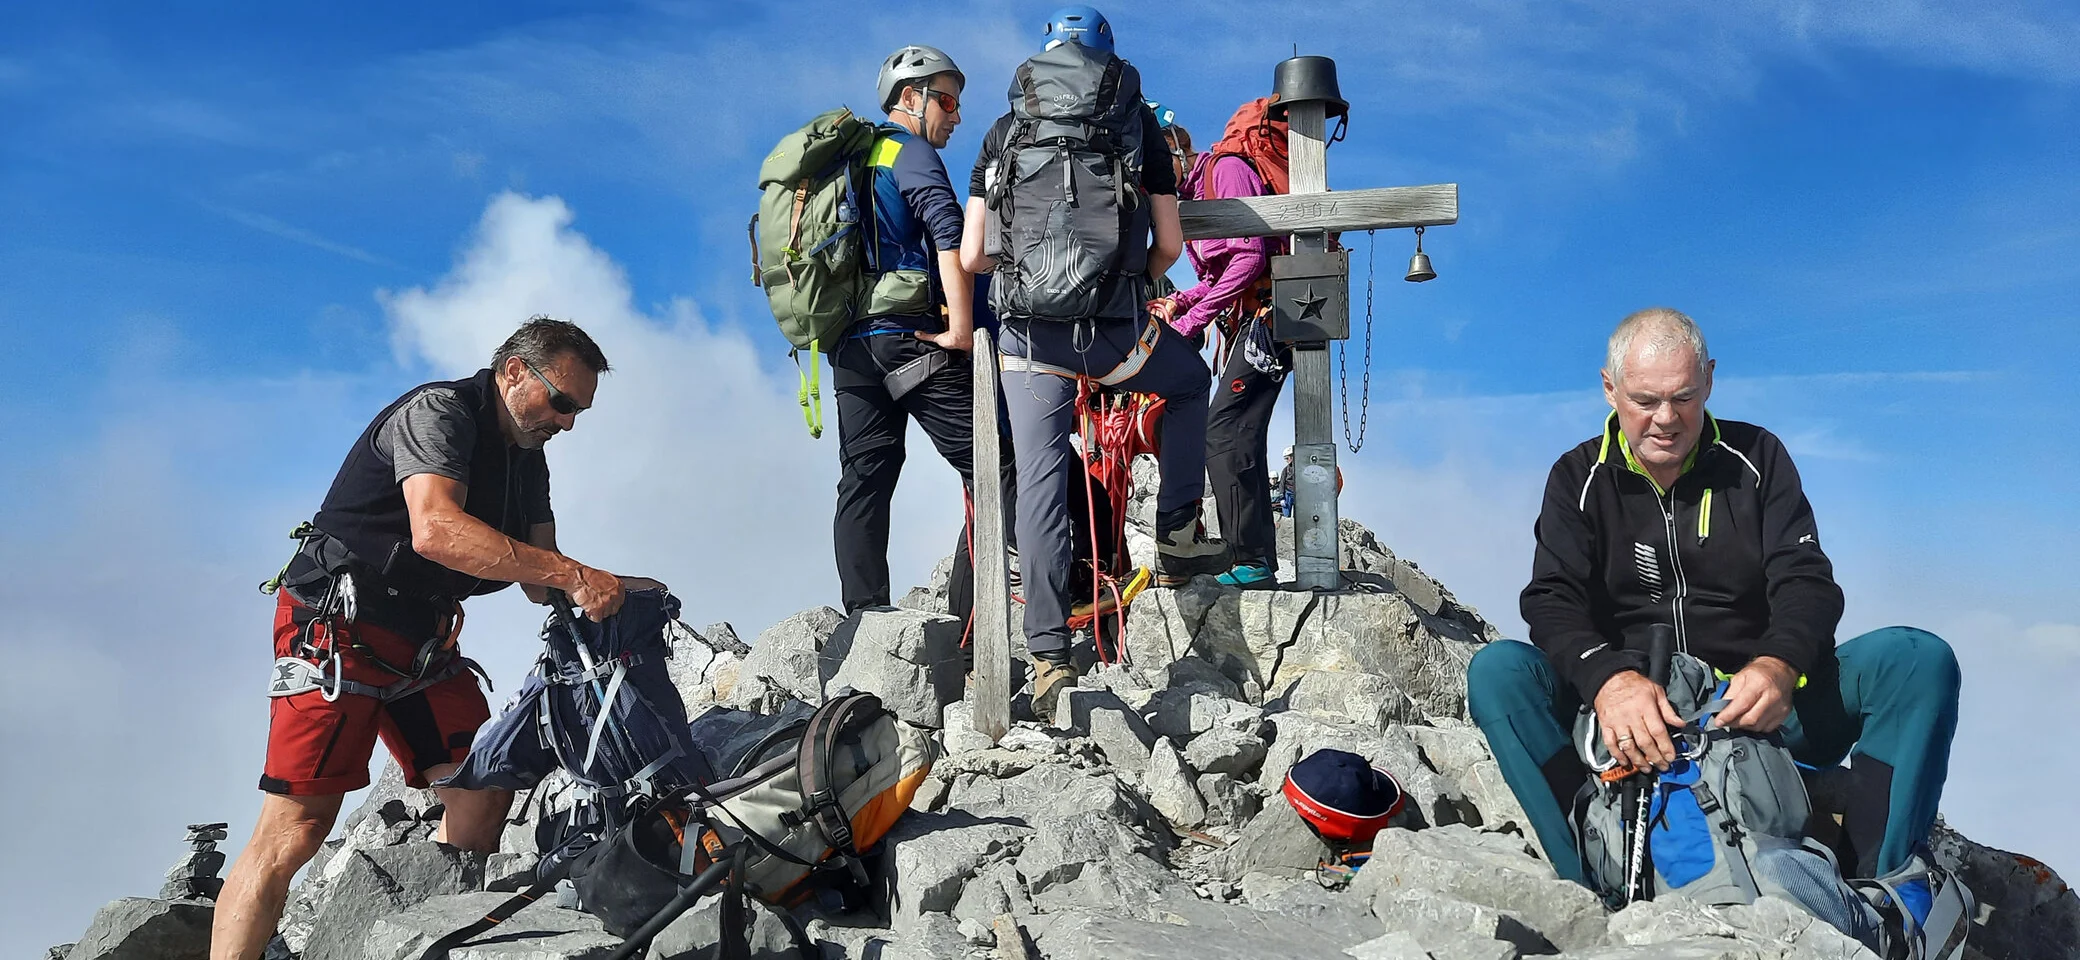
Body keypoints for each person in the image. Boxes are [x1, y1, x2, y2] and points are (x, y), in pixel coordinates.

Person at [1466, 308, 1960, 902]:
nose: (1667, 419)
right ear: (1609, 388)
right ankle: (1596, 883)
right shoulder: (1578, 478)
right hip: (1634, 720)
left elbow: (1807, 581)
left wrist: (1780, 664)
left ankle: (1871, 890)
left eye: (1685, 397)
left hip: (1757, 711)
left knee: (1916, 660)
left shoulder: (1758, 459)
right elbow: (1551, 599)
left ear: (1710, 380)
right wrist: (1608, 680)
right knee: (1497, 673)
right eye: (1645, 399)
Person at [213, 318, 645, 960]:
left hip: (423, 647)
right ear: (515, 372)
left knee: (484, 786)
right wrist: (575, 576)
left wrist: (622, 589)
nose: (568, 422)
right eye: (562, 402)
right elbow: (436, 529)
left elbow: (539, 569)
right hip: (336, 636)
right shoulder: (439, 413)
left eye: (578, 410)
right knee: (295, 830)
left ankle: (428, 940)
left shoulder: (528, 457)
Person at [961, 5, 1225, 719]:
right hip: (1115, 334)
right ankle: (1175, 533)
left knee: (1043, 484)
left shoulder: (1003, 131)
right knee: (1190, 383)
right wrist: (1125, 279)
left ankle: (1048, 659)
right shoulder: (1134, 119)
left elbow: (972, 255)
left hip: (1029, 343)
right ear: (1107, 56)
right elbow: (1169, 245)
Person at [830, 45, 1007, 624]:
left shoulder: (852, 160)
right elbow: (948, 237)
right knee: (995, 463)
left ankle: (865, 620)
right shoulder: (910, 152)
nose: (956, 115)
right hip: (910, 338)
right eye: (947, 100)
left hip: (850, 347)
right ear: (912, 98)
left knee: (864, 478)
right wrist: (960, 328)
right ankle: (981, 612)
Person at [1151, 98, 1291, 589]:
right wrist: (1184, 303)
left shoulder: (1226, 171)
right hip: (1257, 315)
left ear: (1176, 148)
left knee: (1225, 429)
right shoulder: (1196, 193)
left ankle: (1249, 558)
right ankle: (1253, 556)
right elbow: (1222, 273)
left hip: (1273, 313)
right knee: (1238, 430)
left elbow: (1250, 258)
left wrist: (1193, 322)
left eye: (1153, 157)